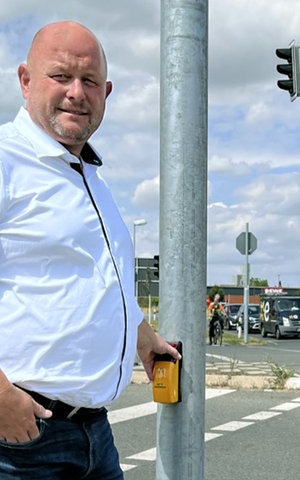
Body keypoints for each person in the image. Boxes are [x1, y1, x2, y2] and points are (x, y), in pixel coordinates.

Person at [0, 21, 181, 480]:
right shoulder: (6, 160)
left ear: (107, 92)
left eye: (90, 82)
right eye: (60, 76)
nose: (76, 93)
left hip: (94, 435)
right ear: (25, 80)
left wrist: (143, 339)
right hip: (21, 440)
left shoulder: (85, 175)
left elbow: (98, 279)